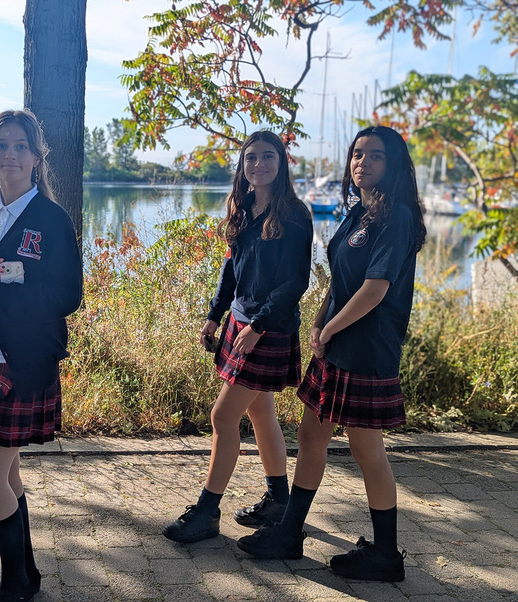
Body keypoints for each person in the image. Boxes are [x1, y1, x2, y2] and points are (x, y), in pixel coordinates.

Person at [236, 126, 426, 583]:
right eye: (357, 155)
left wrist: (330, 329)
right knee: (312, 435)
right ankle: (290, 531)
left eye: (375, 156)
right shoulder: (359, 213)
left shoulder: (395, 217)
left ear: (394, 165)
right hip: (337, 346)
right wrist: (321, 323)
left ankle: (385, 555)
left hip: (366, 351)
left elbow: (375, 290)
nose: (362, 163)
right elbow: (341, 284)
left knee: (366, 449)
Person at [0, 109, 82, 602]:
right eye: (1, 145)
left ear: (37, 157)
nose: (11, 155)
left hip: (27, 361)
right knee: (7, 472)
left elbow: (68, 294)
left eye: (21, 146)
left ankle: (16, 583)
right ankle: (26, 576)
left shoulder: (51, 219)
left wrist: (1, 282)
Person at [162, 131, 313, 544]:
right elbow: (231, 269)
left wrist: (257, 326)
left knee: (222, 417)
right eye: (251, 158)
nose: (258, 165)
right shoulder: (243, 207)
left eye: (268, 157)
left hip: (268, 328)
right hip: (240, 323)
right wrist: (216, 315)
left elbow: (295, 282)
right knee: (259, 412)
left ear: (281, 163)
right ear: (242, 165)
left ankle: (208, 512)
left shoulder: (294, 214)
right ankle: (279, 500)